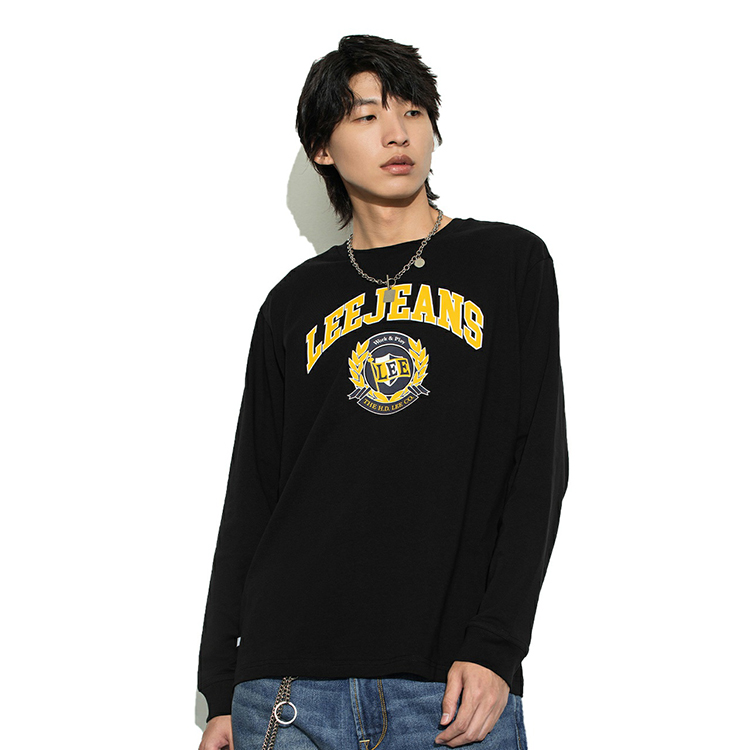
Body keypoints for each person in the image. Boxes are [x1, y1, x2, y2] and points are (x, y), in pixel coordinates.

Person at [197, 34, 568, 750]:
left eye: (413, 112)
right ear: (322, 148)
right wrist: (221, 688)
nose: (398, 133)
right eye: (367, 116)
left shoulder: (508, 263)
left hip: (449, 690)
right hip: (287, 692)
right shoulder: (292, 303)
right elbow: (253, 494)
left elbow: (539, 466)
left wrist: (497, 646)